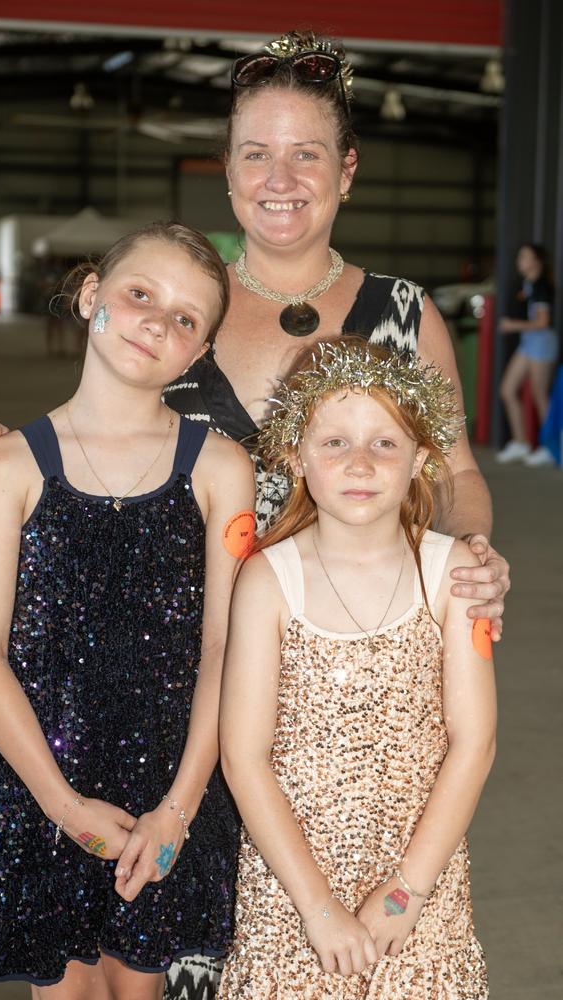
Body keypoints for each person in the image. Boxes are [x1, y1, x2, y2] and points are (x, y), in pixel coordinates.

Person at [0, 30, 509, 644]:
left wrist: (473, 554)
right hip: (182, 658)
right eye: (255, 154)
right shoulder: (181, 310)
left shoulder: (407, 313)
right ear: (227, 169)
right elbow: (94, 438)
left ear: (346, 170)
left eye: (306, 154)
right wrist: (5, 463)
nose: (278, 178)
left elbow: (453, 474)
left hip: (357, 644)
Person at [0, 222, 255, 999]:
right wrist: (63, 807)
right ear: (91, 298)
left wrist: (178, 809)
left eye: (186, 319)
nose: (157, 321)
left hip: (170, 784)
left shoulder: (220, 468)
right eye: (139, 294)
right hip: (38, 779)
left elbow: (224, 650)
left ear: (200, 352)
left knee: (137, 988)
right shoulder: (9, 464)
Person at [218, 338, 496, 998]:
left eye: (385, 444)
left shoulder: (452, 573)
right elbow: (244, 756)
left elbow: (475, 742)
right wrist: (316, 906)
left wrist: (408, 889)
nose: (361, 464)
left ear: (422, 459)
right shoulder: (266, 581)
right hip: (292, 887)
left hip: (420, 881)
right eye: (335, 443)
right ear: (295, 456)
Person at [496, 242, 558, 466]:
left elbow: (543, 322)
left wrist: (513, 325)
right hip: (528, 343)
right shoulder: (528, 284)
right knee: (508, 389)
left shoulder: (541, 286)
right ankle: (521, 442)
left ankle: (551, 448)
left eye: (524, 257)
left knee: (540, 395)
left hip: (541, 344)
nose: (519, 261)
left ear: (536, 261)